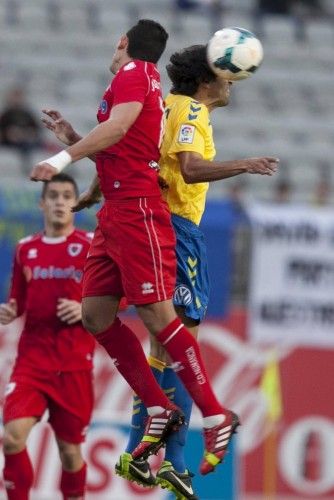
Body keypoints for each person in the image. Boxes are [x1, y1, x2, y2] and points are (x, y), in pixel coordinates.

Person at [30, 18, 277, 485]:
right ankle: (174, 433)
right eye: (225, 78)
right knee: (132, 324)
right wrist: (68, 152)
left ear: (123, 43)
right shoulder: (175, 103)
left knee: (153, 328)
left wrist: (73, 161)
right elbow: (170, 160)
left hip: (136, 212)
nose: (230, 87)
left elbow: (127, 140)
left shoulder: (145, 83)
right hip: (156, 220)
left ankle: (175, 436)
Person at [113, 45, 279, 498]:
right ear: (209, 80)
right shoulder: (191, 112)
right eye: (226, 76)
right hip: (178, 230)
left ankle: (139, 452)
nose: (231, 83)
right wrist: (245, 163)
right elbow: (188, 169)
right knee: (182, 344)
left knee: (161, 347)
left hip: (149, 225)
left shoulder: (165, 104)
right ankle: (176, 458)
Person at [0, 173, 95, 500]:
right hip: (32, 364)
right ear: (42, 203)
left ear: (77, 202)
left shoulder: (91, 246)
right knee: (12, 439)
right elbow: (19, 302)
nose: (59, 202)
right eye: (53, 196)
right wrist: (10, 310)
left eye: (67, 195)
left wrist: (86, 310)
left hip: (73, 366)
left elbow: (122, 298)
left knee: (70, 455)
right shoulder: (26, 248)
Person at [0, 87, 43, 172]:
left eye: (18, 97)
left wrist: (24, 134)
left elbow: (36, 131)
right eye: (14, 97)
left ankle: (27, 169)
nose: (16, 100)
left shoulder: (27, 114)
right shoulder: (5, 114)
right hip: (7, 141)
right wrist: (8, 134)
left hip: (24, 142)